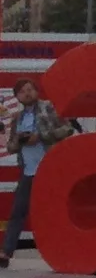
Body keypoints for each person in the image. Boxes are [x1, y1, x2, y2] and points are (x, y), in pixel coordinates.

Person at [1, 78, 69, 264]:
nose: (27, 94)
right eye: (22, 91)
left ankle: (62, 252)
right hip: (28, 172)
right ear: (17, 97)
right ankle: (6, 253)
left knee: (53, 212)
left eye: (30, 89)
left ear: (36, 92)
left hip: (48, 169)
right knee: (17, 212)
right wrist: (21, 140)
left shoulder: (47, 108)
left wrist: (40, 137)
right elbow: (11, 146)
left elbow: (67, 129)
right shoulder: (18, 118)